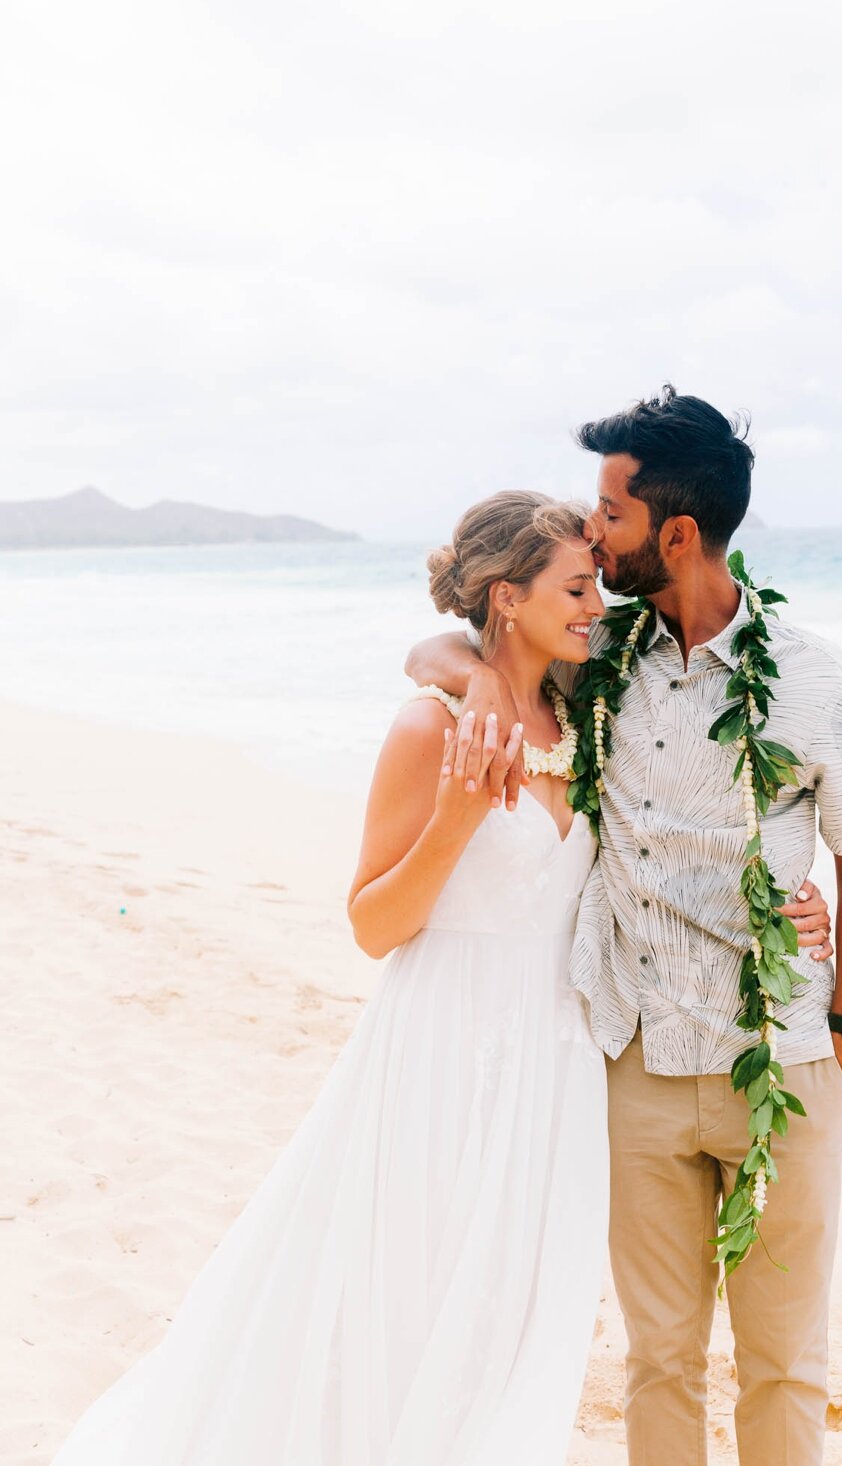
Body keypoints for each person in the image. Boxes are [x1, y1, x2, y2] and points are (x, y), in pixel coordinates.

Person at [54, 492, 613, 1464]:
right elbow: (372, 923)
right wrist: (456, 819)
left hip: (556, 1061)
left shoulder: (588, 714)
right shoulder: (426, 728)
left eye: (598, 582)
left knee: (520, 1307)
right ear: (504, 595)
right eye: (575, 586)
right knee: (406, 1297)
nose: (596, 604)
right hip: (441, 1046)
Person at [408, 387, 842, 1466]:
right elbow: (448, 649)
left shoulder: (819, 683)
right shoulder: (597, 658)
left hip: (785, 1066)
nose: (591, 534)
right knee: (657, 1359)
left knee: (784, 1363)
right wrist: (474, 677)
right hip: (631, 1065)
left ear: (675, 532)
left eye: (609, 514)